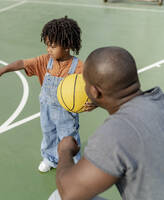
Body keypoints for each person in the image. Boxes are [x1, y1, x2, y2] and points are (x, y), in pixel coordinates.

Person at [50, 46, 164, 200]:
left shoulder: (115, 133)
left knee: (58, 197)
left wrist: (65, 151)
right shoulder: (158, 99)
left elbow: (69, 192)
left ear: (95, 92)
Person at [0, 16, 94, 172]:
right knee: (48, 133)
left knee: (68, 137)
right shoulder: (45, 61)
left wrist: (94, 103)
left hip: (67, 113)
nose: (48, 49)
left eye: (53, 46)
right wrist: (2, 70)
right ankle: (50, 158)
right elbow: (22, 63)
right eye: (47, 45)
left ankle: (72, 162)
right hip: (47, 109)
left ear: (67, 45)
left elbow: (93, 86)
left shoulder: (79, 67)